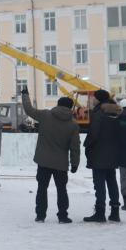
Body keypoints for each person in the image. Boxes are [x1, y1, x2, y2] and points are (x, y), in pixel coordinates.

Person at [21, 88, 80, 224]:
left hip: (43, 161)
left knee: (42, 188)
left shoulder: (45, 115)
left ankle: (40, 215)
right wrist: (75, 163)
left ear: (58, 105)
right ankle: (63, 216)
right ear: (71, 107)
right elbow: (75, 146)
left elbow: (29, 109)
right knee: (62, 189)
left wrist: (25, 95)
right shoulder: (73, 124)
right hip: (61, 163)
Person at [83, 89, 123, 223]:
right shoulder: (116, 113)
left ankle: (100, 212)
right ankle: (115, 212)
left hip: (99, 152)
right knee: (112, 181)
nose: (92, 100)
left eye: (93, 98)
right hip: (113, 152)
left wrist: (86, 145)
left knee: (99, 182)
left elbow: (93, 133)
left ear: (98, 99)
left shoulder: (98, 113)